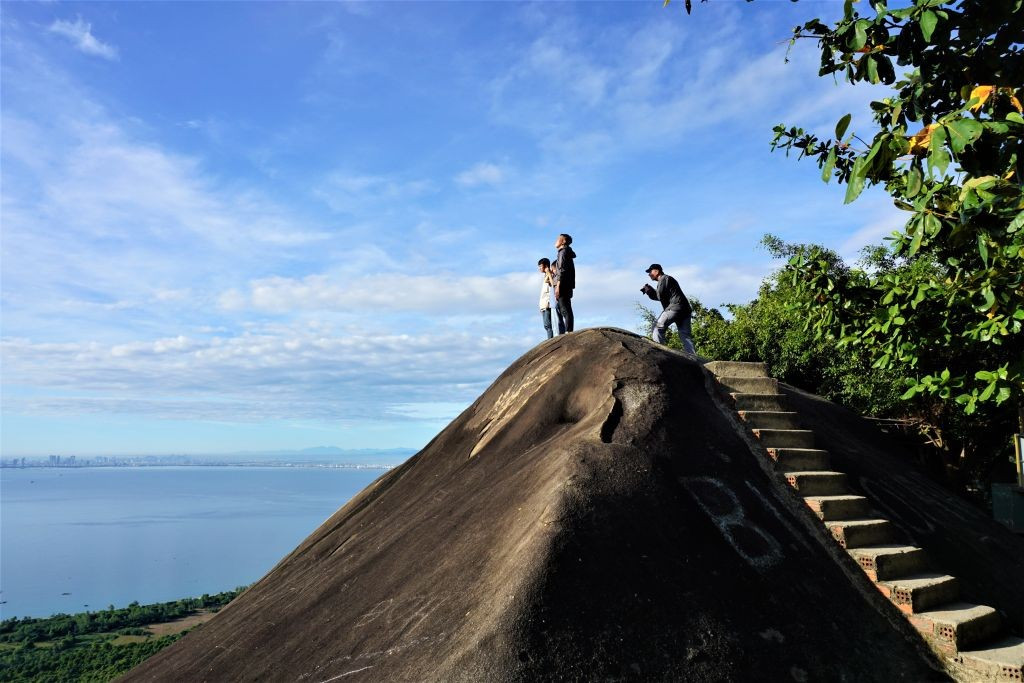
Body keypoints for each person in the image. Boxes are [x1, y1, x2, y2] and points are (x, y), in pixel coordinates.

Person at [641, 263, 695, 353]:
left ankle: (660, 352)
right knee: (685, 335)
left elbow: (659, 296)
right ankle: (694, 358)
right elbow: (661, 296)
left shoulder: (663, 279)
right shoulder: (667, 279)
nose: (649, 274)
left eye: (650, 271)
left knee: (656, 327)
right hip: (685, 310)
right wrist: (649, 291)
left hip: (675, 308)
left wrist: (649, 290)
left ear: (657, 271)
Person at [553, 233, 576, 332]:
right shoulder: (566, 252)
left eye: (558, 239)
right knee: (566, 307)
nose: (556, 241)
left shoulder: (563, 252)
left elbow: (561, 270)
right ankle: (569, 330)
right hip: (567, 284)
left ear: (563, 241)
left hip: (563, 284)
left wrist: (558, 286)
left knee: (565, 309)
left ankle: (568, 331)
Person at [537, 258, 556, 339]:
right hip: (543, 304)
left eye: (540, 266)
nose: (539, 268)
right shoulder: (545, 276)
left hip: (547, 303)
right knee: (546, 325)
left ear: (545, 266)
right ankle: (550, 339)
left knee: (548, 325)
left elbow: (552, 284)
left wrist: (548, 273)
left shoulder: (550, 274)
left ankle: (550, 340)